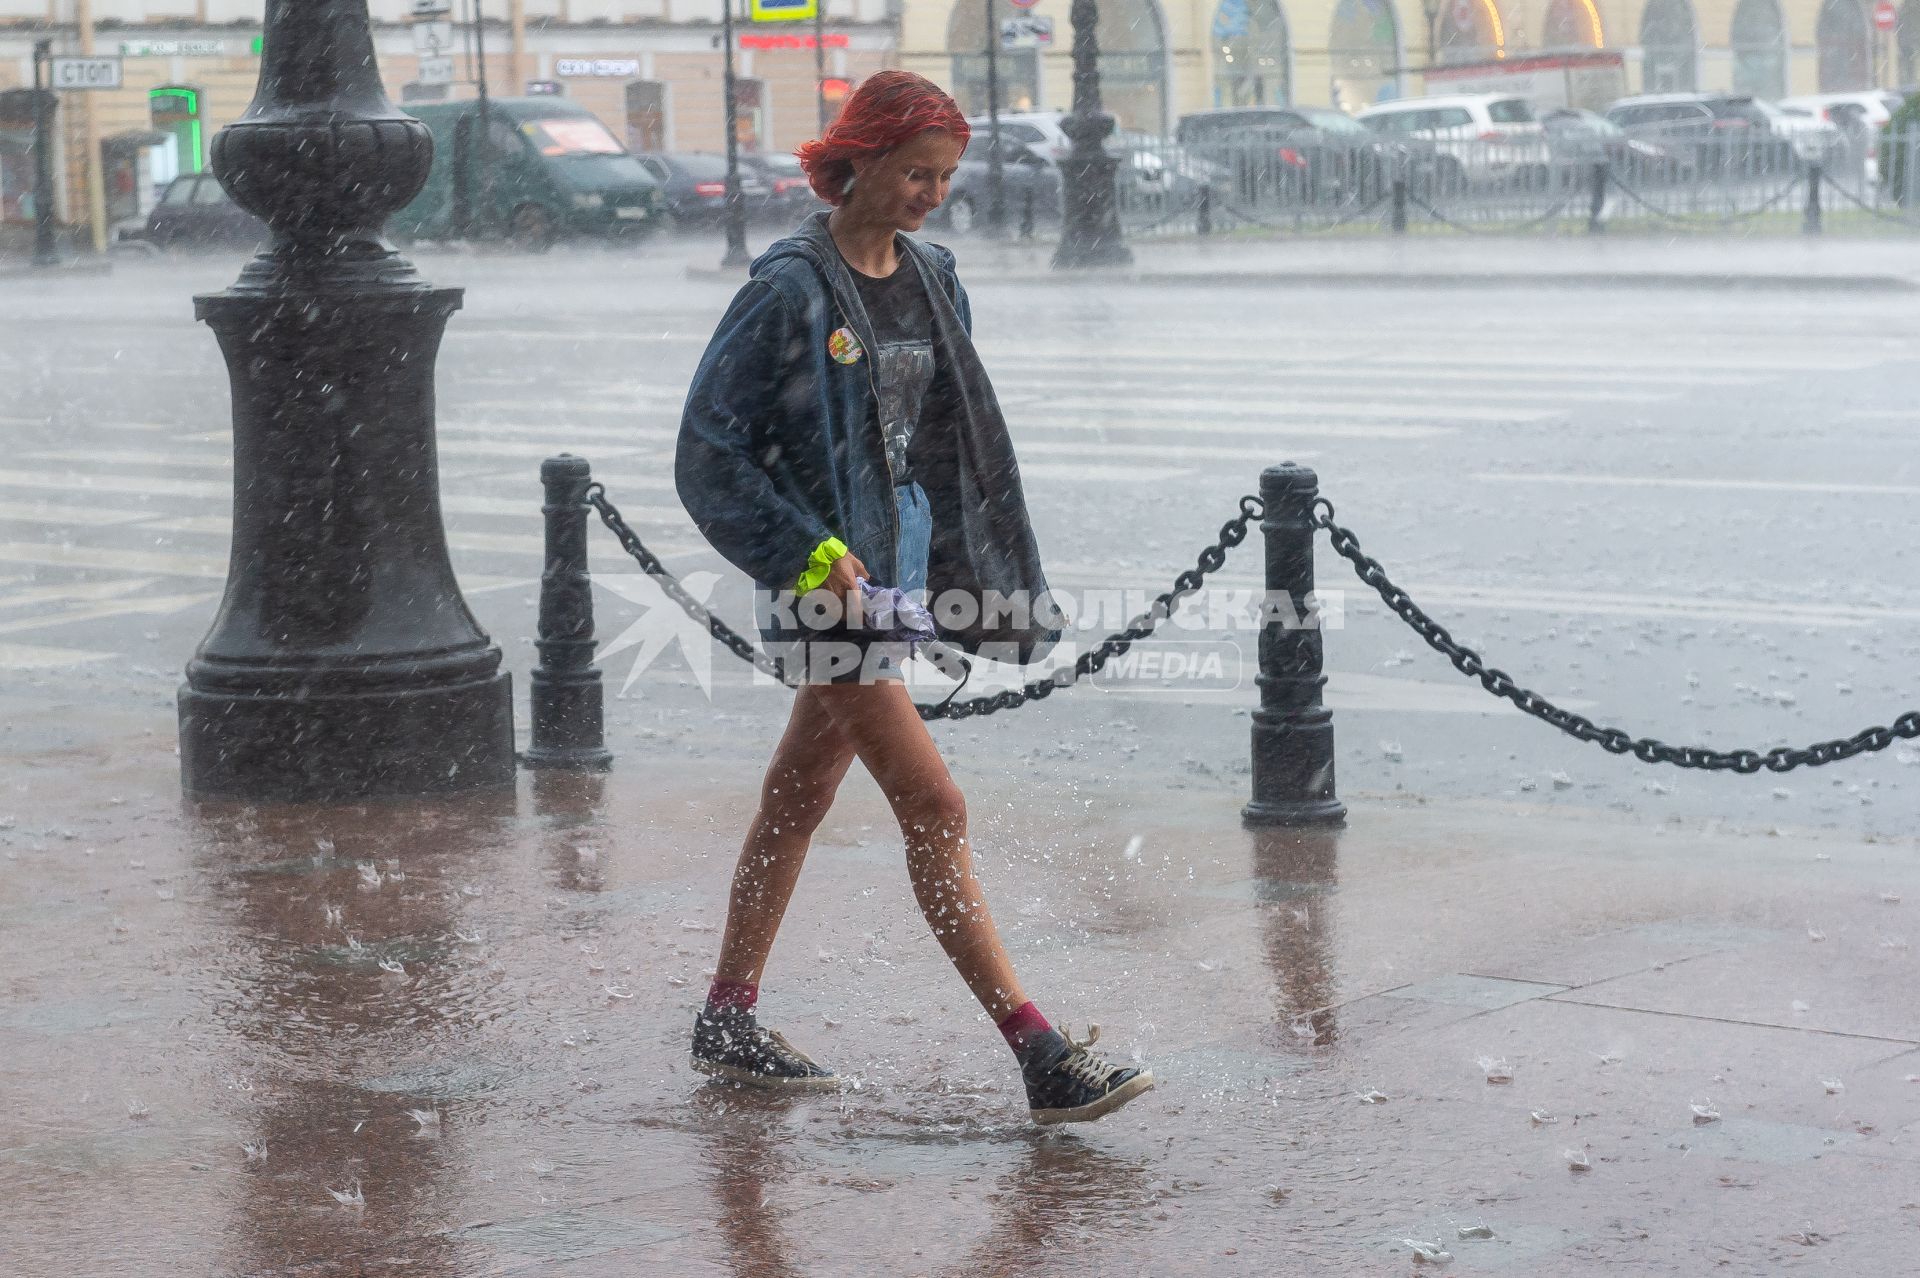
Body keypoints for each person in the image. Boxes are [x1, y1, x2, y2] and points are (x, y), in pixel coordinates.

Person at [674, 70, 1153, 1125]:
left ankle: (726, 1013)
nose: (933, 194)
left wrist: (953, 581)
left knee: (797, 799)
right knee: (934, 805)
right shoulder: (789, 290)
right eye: (916, 174)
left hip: (888, 586)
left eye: (945, 177)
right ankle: (1039, 1054)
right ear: (862, 161)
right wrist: (808, 556)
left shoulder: (933, 276)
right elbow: (708, 454)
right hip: (823, 592)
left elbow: (942, 442)